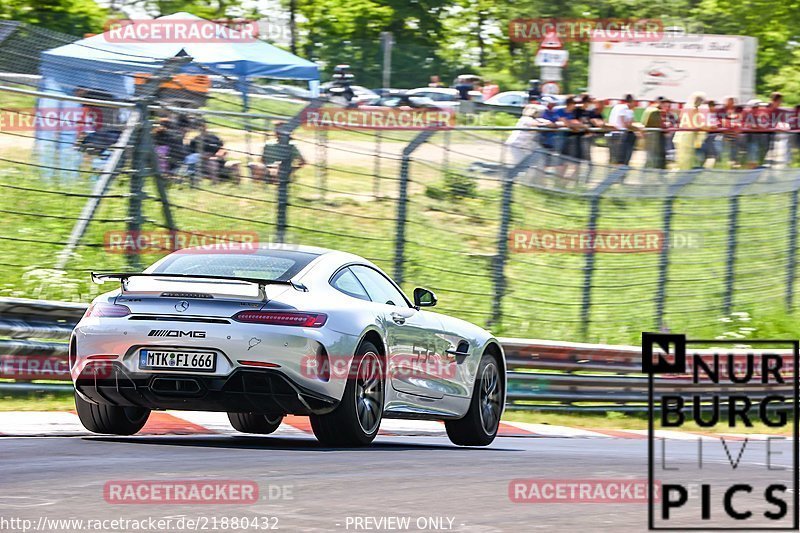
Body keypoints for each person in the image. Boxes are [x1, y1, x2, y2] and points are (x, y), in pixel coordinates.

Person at [607, 94, 638, 165]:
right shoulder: (626, 109)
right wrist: (638, 129)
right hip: (622, 136)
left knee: (614, 160)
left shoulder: (616, 107)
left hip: (613, 134)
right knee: (622, 160)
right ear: (632, 101)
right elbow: (626, 124)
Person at [641, 97, 669, 169]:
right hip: (655, 135)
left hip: (649, 134)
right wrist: (665, 126)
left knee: (650, 154)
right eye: (664, 103)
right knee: (655, 154)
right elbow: (659, 123)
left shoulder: (648, 109)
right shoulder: (656, 111)